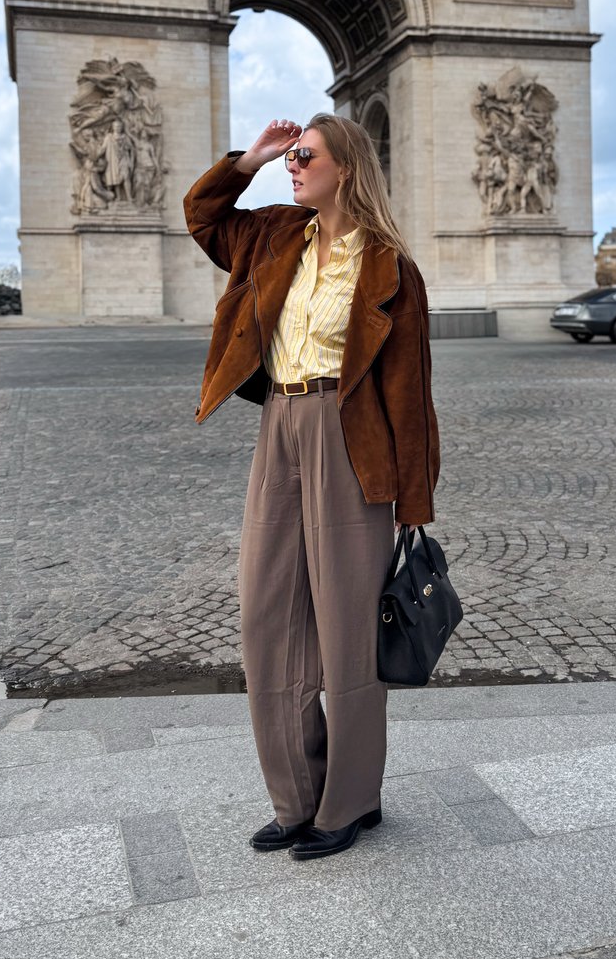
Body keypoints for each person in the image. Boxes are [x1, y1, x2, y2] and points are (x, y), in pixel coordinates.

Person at [184, 114, 440, 860]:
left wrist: (412, 508)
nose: (294, 166)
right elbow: (203, 216)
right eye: (291, 156)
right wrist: (252, 159)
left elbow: (410, 392)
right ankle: (296, 797)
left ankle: (353, 800)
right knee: (266, 619)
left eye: (305, 156)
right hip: (279, 429)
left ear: (346, 167)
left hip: (349, 441)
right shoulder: (269, 235)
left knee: (347, 631)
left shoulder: (390, 266)